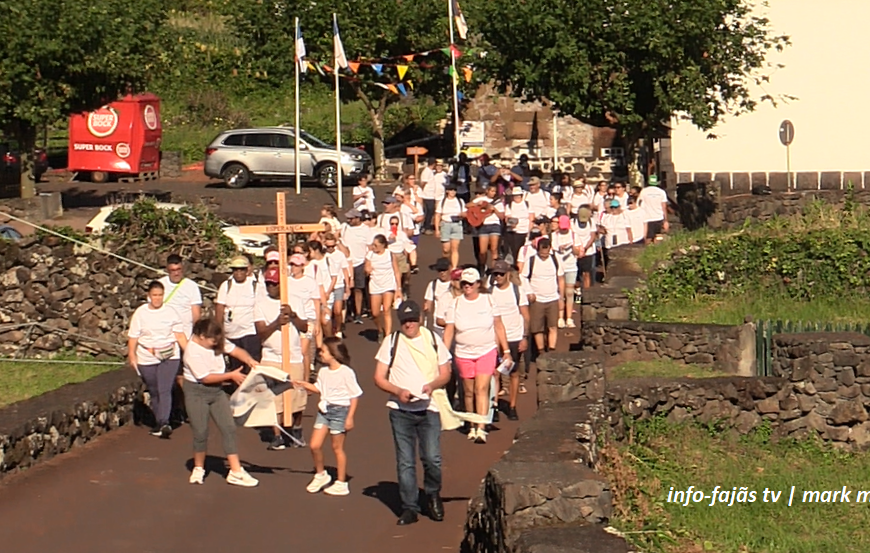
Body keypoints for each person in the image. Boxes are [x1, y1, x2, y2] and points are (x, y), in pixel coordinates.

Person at [374, 301, 452, 526]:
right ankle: (410, 507)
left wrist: (432, 385)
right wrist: (398, 391)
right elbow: (379, 377)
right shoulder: (392, 341)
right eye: (405, 320)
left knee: (432, 458)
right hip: (401, 411)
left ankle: (433, 494)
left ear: (419, 319)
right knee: (405, 461)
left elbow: (446, 372)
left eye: (412, 319)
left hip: (429, 408)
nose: (409, 324)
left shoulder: (432, 340)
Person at [182, 317, 260, 487]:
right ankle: (199, 468)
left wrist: (249, 360)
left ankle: (236, 471)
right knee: (201, 431)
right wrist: (231, 376)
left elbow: (236, 350)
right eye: (212, 340)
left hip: (216, 392)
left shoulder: (215, 341)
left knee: (229, 428)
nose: (215, 343)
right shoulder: (192, 352)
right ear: (201, 336)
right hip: (197, 392)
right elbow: (205, 378)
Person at [442, 268, 511, 444]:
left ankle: (481, 427)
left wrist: (506, 350)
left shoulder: (488, 300)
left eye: (471, 284)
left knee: (481, 389)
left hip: (486, 351)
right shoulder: (455, 303)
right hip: (463, 353)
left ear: (478, 284)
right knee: (468, 391)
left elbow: (499, 325)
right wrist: (443, 355)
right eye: (464, 283)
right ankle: (472, 424)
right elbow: (449, 330)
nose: (467, 287)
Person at [294, 337, 362, 496]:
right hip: (324, 411)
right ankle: (321, 474)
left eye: (323, 351)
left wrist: (350, 417)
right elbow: (320, 389)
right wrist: (304, 385)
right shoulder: (323, 372)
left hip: (340, 411)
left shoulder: (346, 372)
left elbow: (355, 395)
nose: (321, 354)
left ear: (333, 353)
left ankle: (341, 482)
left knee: (337, 448)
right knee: (314, 445)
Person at [254, 266, 309, 450]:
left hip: (293, 356)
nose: (271, 287)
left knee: (297, 396)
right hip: (271, 356)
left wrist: (293, 315)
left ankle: (296, 429)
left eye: (274, 284)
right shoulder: (260, 303)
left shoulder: (295, 300)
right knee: (272, 397)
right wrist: (277, 323)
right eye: (268, 283)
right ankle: (277, 435)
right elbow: (260, 332)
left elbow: (304, 327)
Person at [127, 280, 187, 438]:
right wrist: (132, 355)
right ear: (149, 296)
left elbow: (179, 335)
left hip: (169, 354)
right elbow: (133, 337)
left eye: (160, 295)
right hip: (147, 356)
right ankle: (159, 421)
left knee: (164, 388)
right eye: (154, 295)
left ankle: (164, 422)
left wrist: (190, 352)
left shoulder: (171, 312)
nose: (157, 298)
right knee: (154, 390)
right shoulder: (140, 313)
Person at [489, 260, 529, 421]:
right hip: (494, 338)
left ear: (508, 274)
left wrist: (524, 337)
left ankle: (512, 406)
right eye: (495, 274)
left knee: (513, 373)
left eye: (500, 274)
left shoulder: (517, 291)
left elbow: (526, 316)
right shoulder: (489, 291)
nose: (497, 276)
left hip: (514, 336)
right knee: (495, 373)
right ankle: (495, 406)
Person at [215, 256, 261, 373]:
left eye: (242, 269)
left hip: (250, 332)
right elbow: (220, 308)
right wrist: (218, 330)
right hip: (231, 333)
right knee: (236, 367)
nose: (239, 272)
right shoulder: (226, 286)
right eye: (235, 269)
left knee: (252, 365)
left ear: (247, 270)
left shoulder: (255, 285)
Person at [521, 238, 565, 356]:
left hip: (553, 299)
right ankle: (541, 352)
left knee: (553, 326)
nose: (544, 255)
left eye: (546, 252)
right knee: (537, 328)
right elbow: (523, 277)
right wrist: (529, 292)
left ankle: (552, 350)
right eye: (542, 252)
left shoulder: (555, 260)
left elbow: (560, 279)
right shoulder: (531, 261)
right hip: (537, 300)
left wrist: (561, 297)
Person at [339, 209, 374, 324]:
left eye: (351, 218)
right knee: (345, 288)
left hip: (359, 263)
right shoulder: (344, 227)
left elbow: (369, 247)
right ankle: (347, 313)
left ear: (358, 219)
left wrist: (368, 262)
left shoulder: (366, 230)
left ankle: (358, 313)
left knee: (358, 289)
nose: (349, 220)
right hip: (345, 262)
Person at [365, 234, 401, 342]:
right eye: (373, 245)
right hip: (375, 285)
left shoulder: (390, 255)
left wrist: (398, 288)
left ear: (383, 245)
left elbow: (396, 271)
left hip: (388, 284)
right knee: (375, 313)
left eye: (376, 245)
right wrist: (367, 270)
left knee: (386, 309)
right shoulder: (370, 255)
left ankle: (388, 336)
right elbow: (366, 269)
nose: (374, 247)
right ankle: (380, 329)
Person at [551, 215, 578, 328]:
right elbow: (553, 249)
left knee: (570, 293)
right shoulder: (554, 235)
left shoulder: (573, 235)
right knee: (560, 293)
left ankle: (569, 318)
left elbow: (578, 252)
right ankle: (560, 317)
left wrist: (573, 248)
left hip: (571, 266)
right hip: (559, 267)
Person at [323, 233, 351, 337]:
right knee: (328, 311)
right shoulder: (323, 255)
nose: (330, 249)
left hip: (339, 285)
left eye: (332, 246)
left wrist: (347, 286)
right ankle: (329, 330)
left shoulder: (340, 255)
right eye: (328, 246)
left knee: (338, 311)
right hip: (326, 286)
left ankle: (338, 329)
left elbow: (345, 270)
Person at [471, 183, 505, 270]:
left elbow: (502, 217)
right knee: (482, 251)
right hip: (483, 226)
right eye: (492, 191)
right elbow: (468, 205)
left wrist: (495, 209)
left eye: (495, 192)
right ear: (487, 191)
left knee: (494, 249)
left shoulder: (498, 202)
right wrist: (478, 204)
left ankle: (495, 268)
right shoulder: (481, 199)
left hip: (495, 225)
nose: (493, 193)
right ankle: (482, 267)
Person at [433, 184, 466, 269]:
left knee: (455, 248)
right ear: (447, 191)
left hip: (457, 224)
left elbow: (465, 213)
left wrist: (462, 215)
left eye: (454, 190)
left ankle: (454, 267)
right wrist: (437, 229)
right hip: (445, 224)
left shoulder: (460, 201)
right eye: (451, 190)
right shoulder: (442, 201)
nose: (453, 192)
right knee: (446, 249)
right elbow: (437, 215)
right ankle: (446, 263)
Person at [504, 187, 532, 265]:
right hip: (515, 232)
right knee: (516, 250)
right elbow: (507, 218)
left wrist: (530, 231)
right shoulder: (509, 205)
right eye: (515, 196)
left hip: (526, 231)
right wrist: (512, 223)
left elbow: (531, 218)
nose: (517, 197)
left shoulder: (527, 204)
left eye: (519, 195)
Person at [573, 206, 598, 292]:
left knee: (586, 274)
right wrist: (578, 250)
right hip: (576, 252)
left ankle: (587, 294)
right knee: (577, 275)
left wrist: (585, 248)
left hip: (588, 251)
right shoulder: (572, 222)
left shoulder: (591, 222)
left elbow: (592, 236)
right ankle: (578, 297)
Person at [637, 176, 669, 243]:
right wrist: (665, 220)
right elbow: (664, 207)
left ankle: (647, 250)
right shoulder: (661, 192)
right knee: (658, 236)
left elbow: (638, 203)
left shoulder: (644, 191)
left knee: (648, 237)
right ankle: (657, 250)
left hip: (647, 218)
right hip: (659, 217)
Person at [423, 258, 453, 329]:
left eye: (444, 270)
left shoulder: (455, 284)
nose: (442, 273)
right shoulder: (433, 284)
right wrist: (426, 308)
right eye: (439, 270)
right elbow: (428, 304)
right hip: (437, 326)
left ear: (450, 269)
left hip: (452, 324)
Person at [419, 158, 439, 234]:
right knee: (429, 211)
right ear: (433, 164)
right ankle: (425, 227)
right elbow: (423, 183)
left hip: (431, 194)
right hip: (427, 195)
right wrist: (422, 192)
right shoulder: (426, 172)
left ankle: (426, 226)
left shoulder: (430, 171)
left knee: (430, 211)